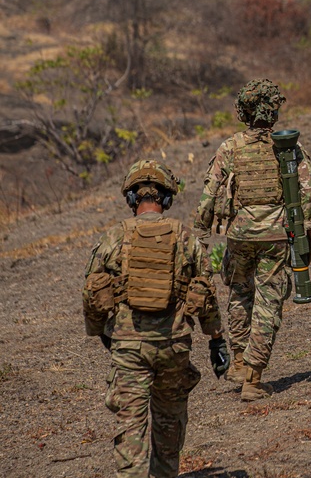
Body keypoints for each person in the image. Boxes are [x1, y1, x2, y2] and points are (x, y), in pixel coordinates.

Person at [83, 159, 228, 478]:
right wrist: (217, 341)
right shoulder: (185, 237)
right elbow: (206, 292)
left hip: (130, 349)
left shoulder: (114, 236)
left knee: (131, 429)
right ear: (166, 199)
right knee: (168, 427)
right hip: (173, 347)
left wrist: (102, 332)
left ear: (132, 199)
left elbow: (92, 290)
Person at [193, 78, 311, 401]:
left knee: (239, 292)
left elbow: (209, 194)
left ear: (244, 111)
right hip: (276, 235)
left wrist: (201, 237)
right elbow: (308, 196)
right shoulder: (288, 147)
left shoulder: (230, 147)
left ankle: (238, 359)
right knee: (268, 302)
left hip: (239, 234)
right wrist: (308, 244)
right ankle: (252, 377)